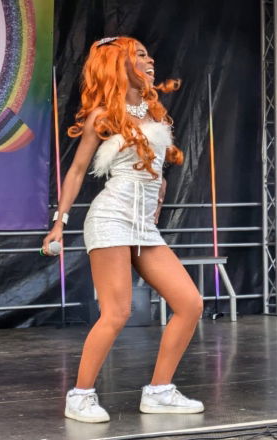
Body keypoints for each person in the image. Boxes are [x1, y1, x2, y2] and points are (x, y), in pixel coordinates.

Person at [42, 36, 204, 423]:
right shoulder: (102, 116)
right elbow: (77, 171)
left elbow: (155, 170)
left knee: (190, 304)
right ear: (120, 64)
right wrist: (60, 223)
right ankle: (80, 396)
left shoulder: (154, 113)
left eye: (149, 54)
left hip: (143, 226)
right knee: (117, 312)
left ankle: (160, 391)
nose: (150, 60)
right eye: (140, 55)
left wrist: (160, 191)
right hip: (111, 216)